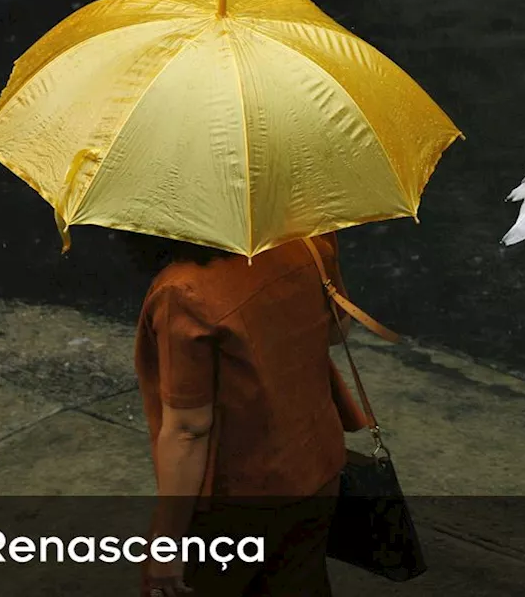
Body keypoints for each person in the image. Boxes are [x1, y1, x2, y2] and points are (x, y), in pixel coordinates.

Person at [125, 232, 370, 597]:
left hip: (237, 496)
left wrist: (167, 544)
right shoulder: (306, 236)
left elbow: (189, 430)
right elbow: (337, 330)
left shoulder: (183, 292)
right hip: (316, 464)